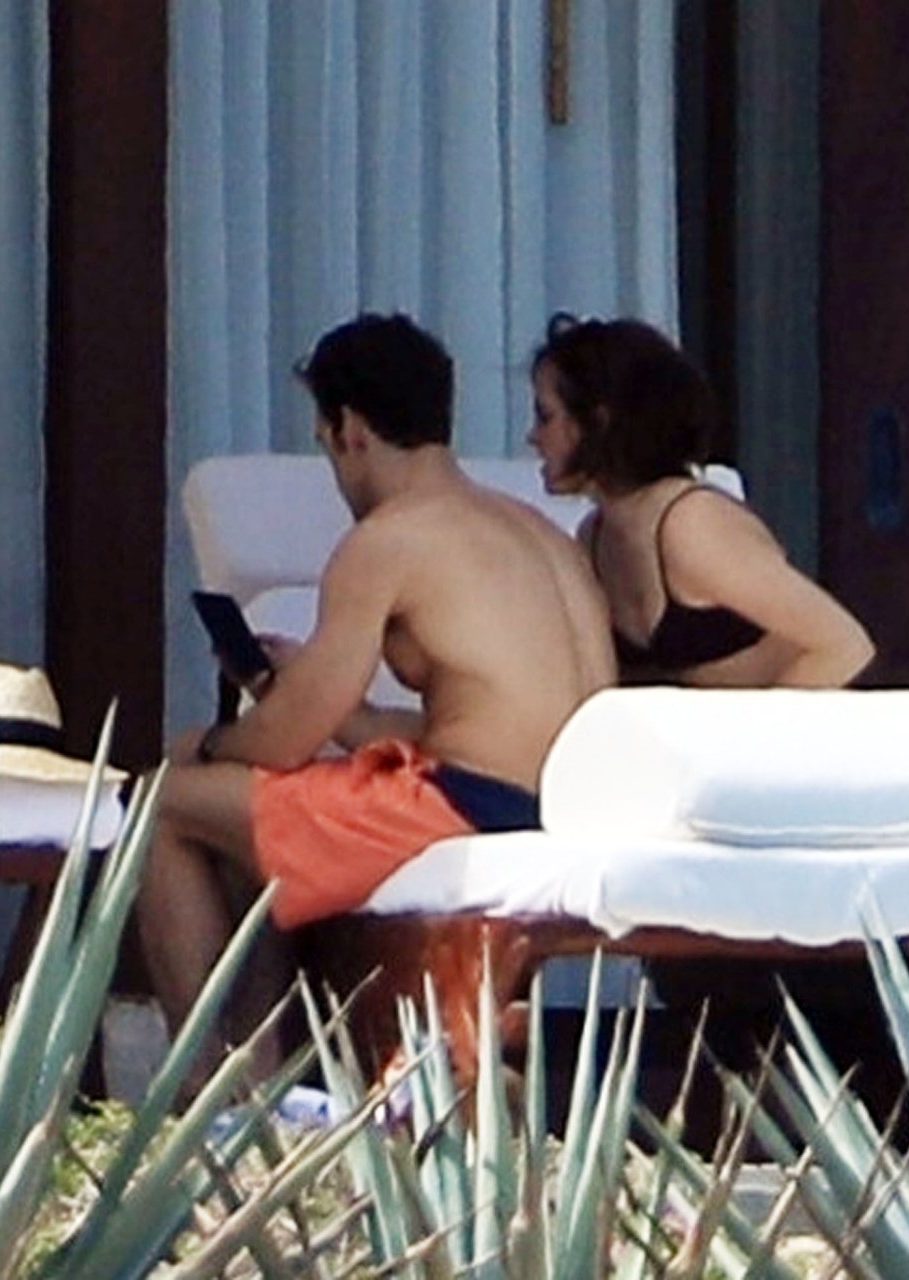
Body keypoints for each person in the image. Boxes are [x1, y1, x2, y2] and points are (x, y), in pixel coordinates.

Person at [139, 312, 616, 1069]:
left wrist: (214, 743)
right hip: (559, 804)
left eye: (326, 442)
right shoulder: (540, 535)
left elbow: (284, 740)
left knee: (163, 802)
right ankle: (267, 1077)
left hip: (465, 807)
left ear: (351, 430)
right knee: (245, 815)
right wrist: (335, 709)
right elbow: (491, 719)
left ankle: (204, 1089)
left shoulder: (390, 538)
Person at [528, 313, 874, 688]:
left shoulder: (690, 526)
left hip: (825, 715)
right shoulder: (596, 537)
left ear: (599, 423)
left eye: (546, 417)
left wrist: (748, 727)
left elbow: (844, 646)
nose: (533, 437)